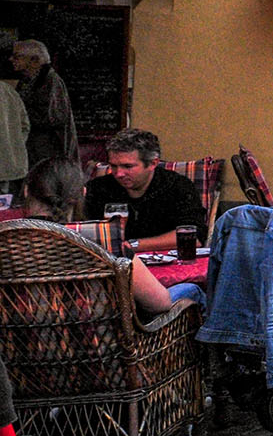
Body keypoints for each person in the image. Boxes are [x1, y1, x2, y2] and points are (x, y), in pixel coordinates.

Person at [23, 159, 199, 313]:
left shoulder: (8, 239)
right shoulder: (102, 237)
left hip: (23, 347)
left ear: (26, 191)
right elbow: (159, 304)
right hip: (104, 346)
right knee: (192, 290)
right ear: (82, 193)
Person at [81, 129, 202, 252]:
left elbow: (194, 236)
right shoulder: (99, 188)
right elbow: (80, 231)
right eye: (113, 166)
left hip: (165, 261)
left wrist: (132, 245)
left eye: (127, 166)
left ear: (152, 163)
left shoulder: (177, 186)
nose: (119, 173)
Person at [10, 40, 76, 169]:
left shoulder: (50, 81)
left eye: (17, 56)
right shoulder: (28, 81)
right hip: (34, 152)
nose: (11, 59)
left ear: (34, 60)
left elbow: (55, 117)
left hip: (47, 154)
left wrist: (18, 115)